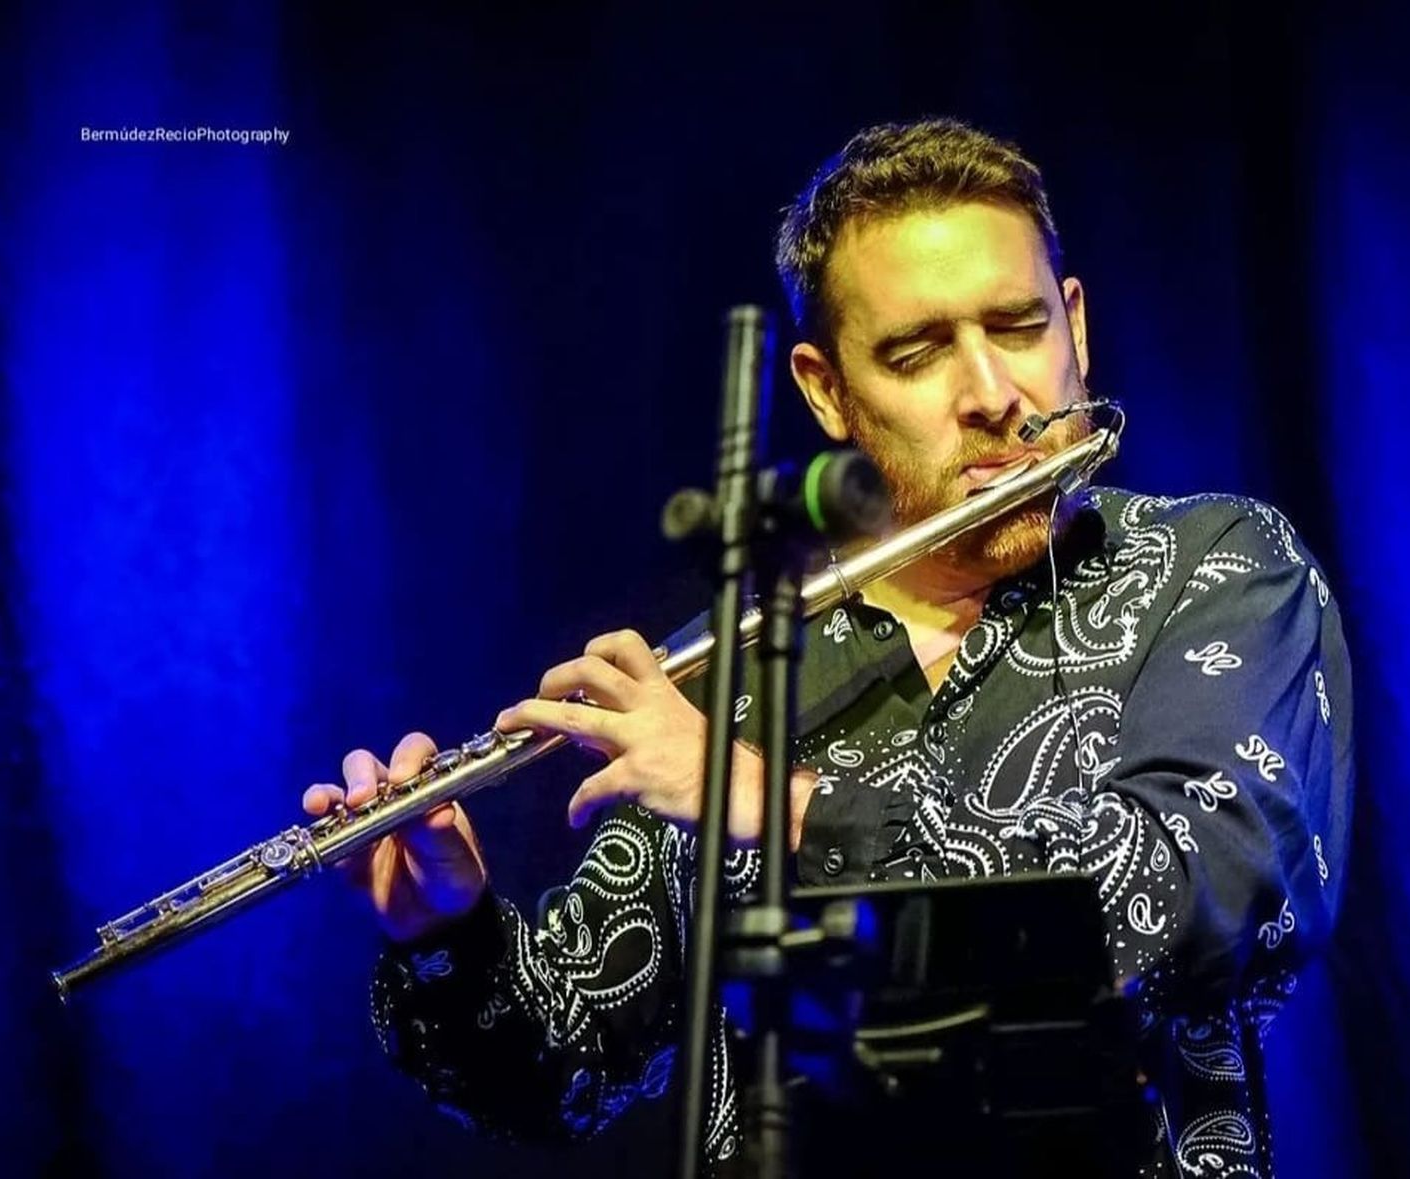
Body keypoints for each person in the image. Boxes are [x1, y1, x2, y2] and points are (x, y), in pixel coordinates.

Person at [303, 118, 1353, 1177]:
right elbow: (562, 1074)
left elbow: (1196, 901)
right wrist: (448, 930)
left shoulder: (1212, 569)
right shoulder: (736, 674)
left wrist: (779, 809)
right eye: (918, 352)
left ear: (1073, 326)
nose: (992, 394)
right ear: (825, 388)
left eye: (1019, 326)